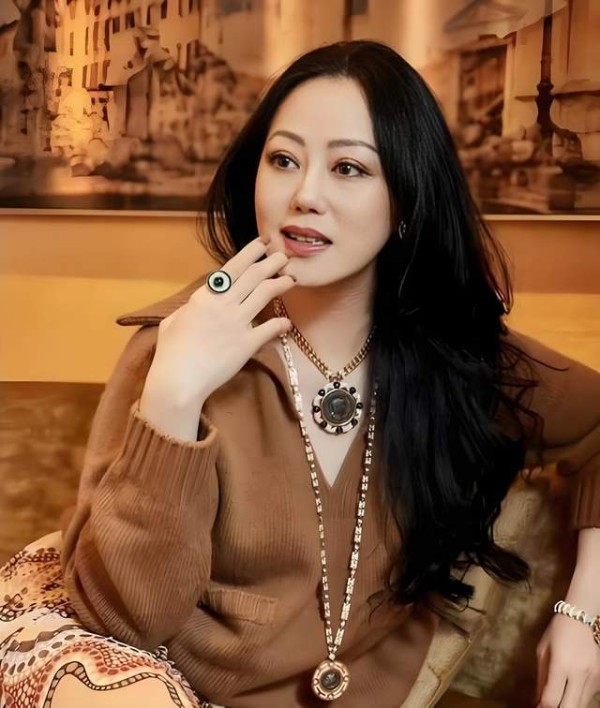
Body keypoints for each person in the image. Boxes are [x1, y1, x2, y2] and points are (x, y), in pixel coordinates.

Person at [1, 40, 599, 708]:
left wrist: (583, 614)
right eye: (283, 160)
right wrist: (174, 397)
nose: (304, 195)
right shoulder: (173, 345)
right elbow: (126, 620)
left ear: (407, 200)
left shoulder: (455, 356)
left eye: (348, 168)